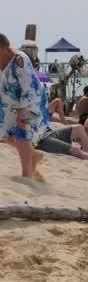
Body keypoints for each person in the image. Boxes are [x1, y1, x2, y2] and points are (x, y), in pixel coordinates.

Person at [0, 33, 48, 181]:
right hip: (9, 105)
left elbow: (28, 88)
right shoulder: (2, 59)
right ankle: (33, 155)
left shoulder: (20, 60)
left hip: (29, 102)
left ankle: (26, 175)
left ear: (1, 49)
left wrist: (22, 113)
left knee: (21, 136)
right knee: (7, 137)